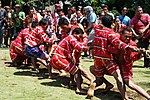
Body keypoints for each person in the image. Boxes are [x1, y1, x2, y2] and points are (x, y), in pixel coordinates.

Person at [87, 14, 138, 99]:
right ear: (112, 22)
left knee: (99, 77)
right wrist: (129, 47)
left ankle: (96, 84)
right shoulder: (110, 33)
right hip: (107, 59)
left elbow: (96, 25)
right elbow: (117, 43)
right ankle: (125, 97)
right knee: (118, 77)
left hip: (97, 58)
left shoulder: (97, 29)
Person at [108, 27, 150, 100]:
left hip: (125, 66)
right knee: (95, 70)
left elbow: (133, 58)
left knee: (129, 83)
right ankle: (124, 97)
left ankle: (148, 97)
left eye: (130, 37)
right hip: (113, 64)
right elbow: (110, 50)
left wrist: (139, 53)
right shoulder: (115, 41)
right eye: (126, 36)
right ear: (121, 34)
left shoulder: (132, 44)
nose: (128, 38)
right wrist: (124, 48)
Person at [50, 28, 94, 94]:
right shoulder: (72, 38)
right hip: (59, 58)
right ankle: (79, 89)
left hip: (58, 57)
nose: (80, 38)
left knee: (73, 67)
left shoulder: (70, 38)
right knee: (77, 71)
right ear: (75, 33)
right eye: (80, 36)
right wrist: (87, 44)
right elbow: (79, 47)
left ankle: (72, 82)